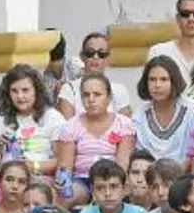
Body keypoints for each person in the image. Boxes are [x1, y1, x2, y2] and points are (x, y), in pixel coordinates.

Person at [54, 72, 137, 204]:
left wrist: (105, 187)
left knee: (107, 195)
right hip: (82, 181)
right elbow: (65, 166)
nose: (91, 99)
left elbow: (123, 162)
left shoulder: (123, 124)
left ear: (109, 98)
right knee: (65, 198)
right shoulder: (71, 126)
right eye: (86, 95)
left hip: (112, 179)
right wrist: (62, 183)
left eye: (97, 94)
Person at [134, 56, 194, 164]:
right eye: (152, 79)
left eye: (164, 79)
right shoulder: (139, 114)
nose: (157, 85)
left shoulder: (191, 110)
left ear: (174, 81)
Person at [57, 32, 133, 116]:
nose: (95, 57)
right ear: (82, 56)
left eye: (101, 54)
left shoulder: (119, 90)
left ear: (108, 58)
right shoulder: (69, 90)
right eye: (90, 53)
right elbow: (66, 127)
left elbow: (126, 126)